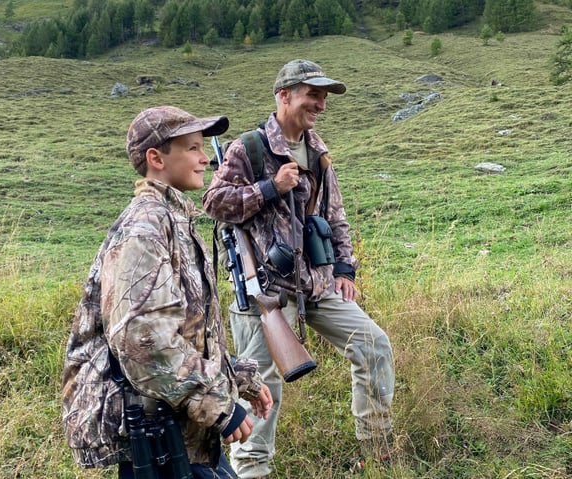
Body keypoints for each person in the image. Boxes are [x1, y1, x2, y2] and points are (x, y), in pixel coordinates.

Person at [202, 60, 395, 477]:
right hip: (265, 289)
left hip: (318, 285)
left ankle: (377, 451)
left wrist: (345, 269)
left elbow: (335, 215)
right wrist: (270, 188)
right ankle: (251, 470)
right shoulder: (250, 148)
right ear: (284, 95)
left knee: (373, 345)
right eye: (313, 95)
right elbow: (213, 202)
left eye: (324, 97)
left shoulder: (319, 151)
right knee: (259, 383)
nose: (321, 104)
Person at [62, 106, 272, 479]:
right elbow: (143, 339)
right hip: (157, 436)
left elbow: (183, 333)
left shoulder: (173, 219)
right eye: (192, 148)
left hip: (179, 426)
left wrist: (239, 377)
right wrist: (216, 403)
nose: (205, 157)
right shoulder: (145, 227)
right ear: (156, 158)